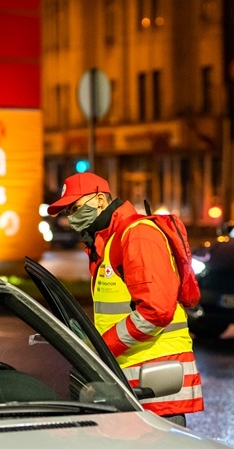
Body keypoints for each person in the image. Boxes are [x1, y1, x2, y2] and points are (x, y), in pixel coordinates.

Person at [47, 172, 204, 426]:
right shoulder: (107, 241)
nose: (71, 217)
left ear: (99, 200)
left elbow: (156, 311)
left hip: (158, 386)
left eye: (74, 208)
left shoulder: (136, 235)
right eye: (67, 211)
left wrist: (100, 348)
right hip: (137, 387)